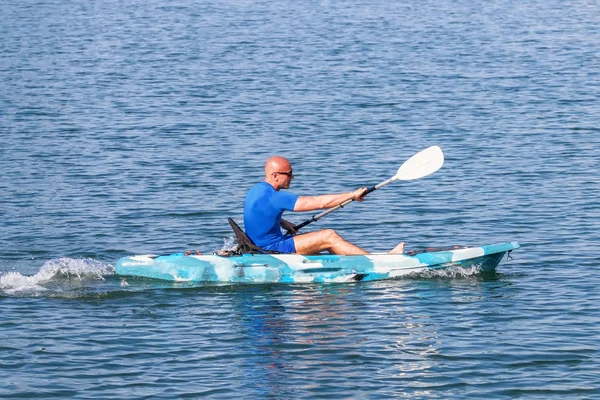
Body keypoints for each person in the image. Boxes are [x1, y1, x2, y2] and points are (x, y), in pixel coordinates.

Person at [243, 156, 405, 255]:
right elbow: (320, 203)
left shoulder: (256, 189)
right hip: (272, 247)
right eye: (289, 173)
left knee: (324, 243)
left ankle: (356, 260)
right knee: (328, 236)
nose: (293, 177)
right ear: (275, 176)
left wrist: (284, 223)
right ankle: (380, 262)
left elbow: (259, 213)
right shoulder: (276, 197)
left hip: (259, 243)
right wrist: (351, 195)